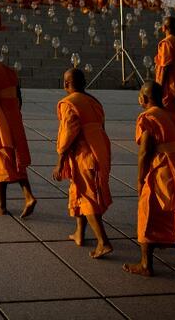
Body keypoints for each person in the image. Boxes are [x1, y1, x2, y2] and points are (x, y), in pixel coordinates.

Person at [122, 81, 175, 280]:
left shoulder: (149, 117)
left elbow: (145, 151)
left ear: (144, 99)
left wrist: (140, 178)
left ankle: (146, 263)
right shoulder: (173, 115)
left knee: (147, 211)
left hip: (162, 169)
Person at [52, 68, 113, 259]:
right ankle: (79, 233)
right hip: (99, 149)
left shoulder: (68, 103)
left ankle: (103, 242)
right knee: (78, 189)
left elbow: (68, 133)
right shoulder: (94, 101)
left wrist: (60, 161)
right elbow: (101, 126)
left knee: (87, 196)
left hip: (84, 153)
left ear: (66, 84)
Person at [0, 41, 36, 217]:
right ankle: (28, 195)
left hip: (0, 117)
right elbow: (19, 96)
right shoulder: (11, 72)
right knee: (15, 156)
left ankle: (2, 205)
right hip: (14, 117)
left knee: (0, 158)